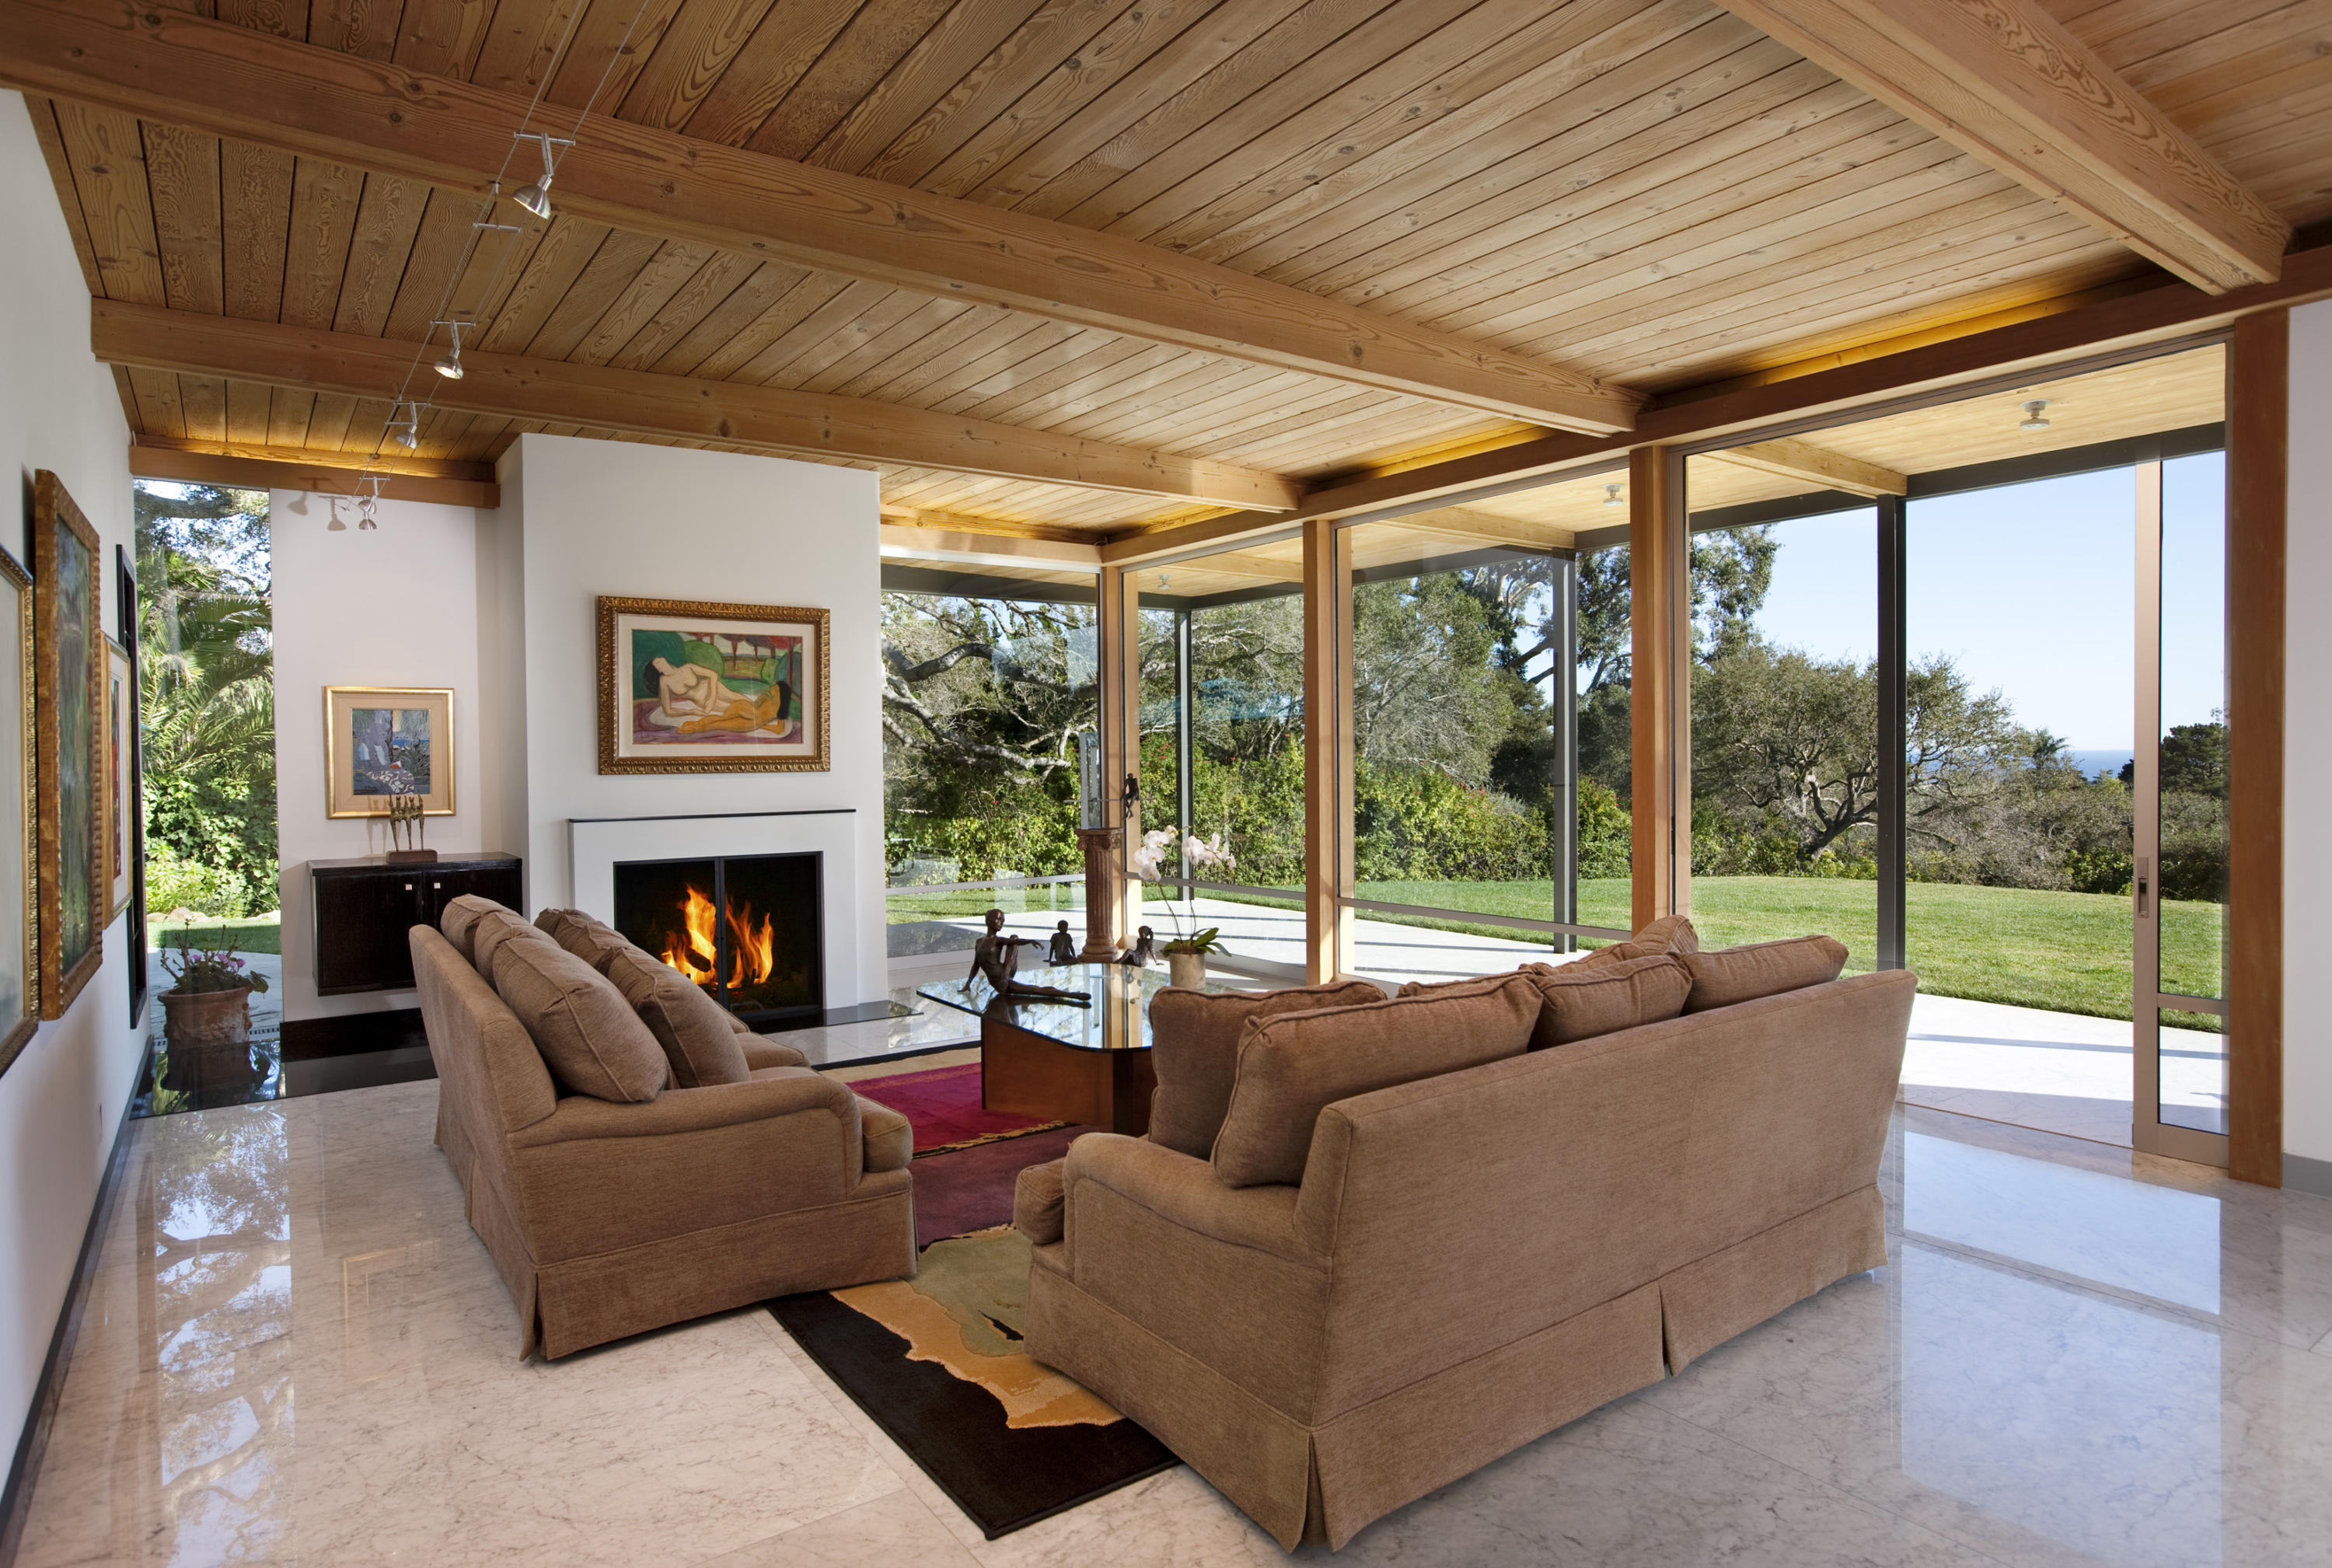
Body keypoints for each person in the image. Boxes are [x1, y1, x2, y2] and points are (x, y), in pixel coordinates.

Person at [969, 908, 1089, 1002]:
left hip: (1005, 973)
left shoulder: (998, 940)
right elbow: (976, 964)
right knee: (1034, 990)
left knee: (1014, 939)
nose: (1001, 923)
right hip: (1000, 983)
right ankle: (1071, 995)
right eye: (999, 919)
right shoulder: (979, 942)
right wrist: (968, 984)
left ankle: (1072, 995)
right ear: (989, 920)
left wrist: (1030, 941)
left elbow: (1017, 942)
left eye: (1003, 921)